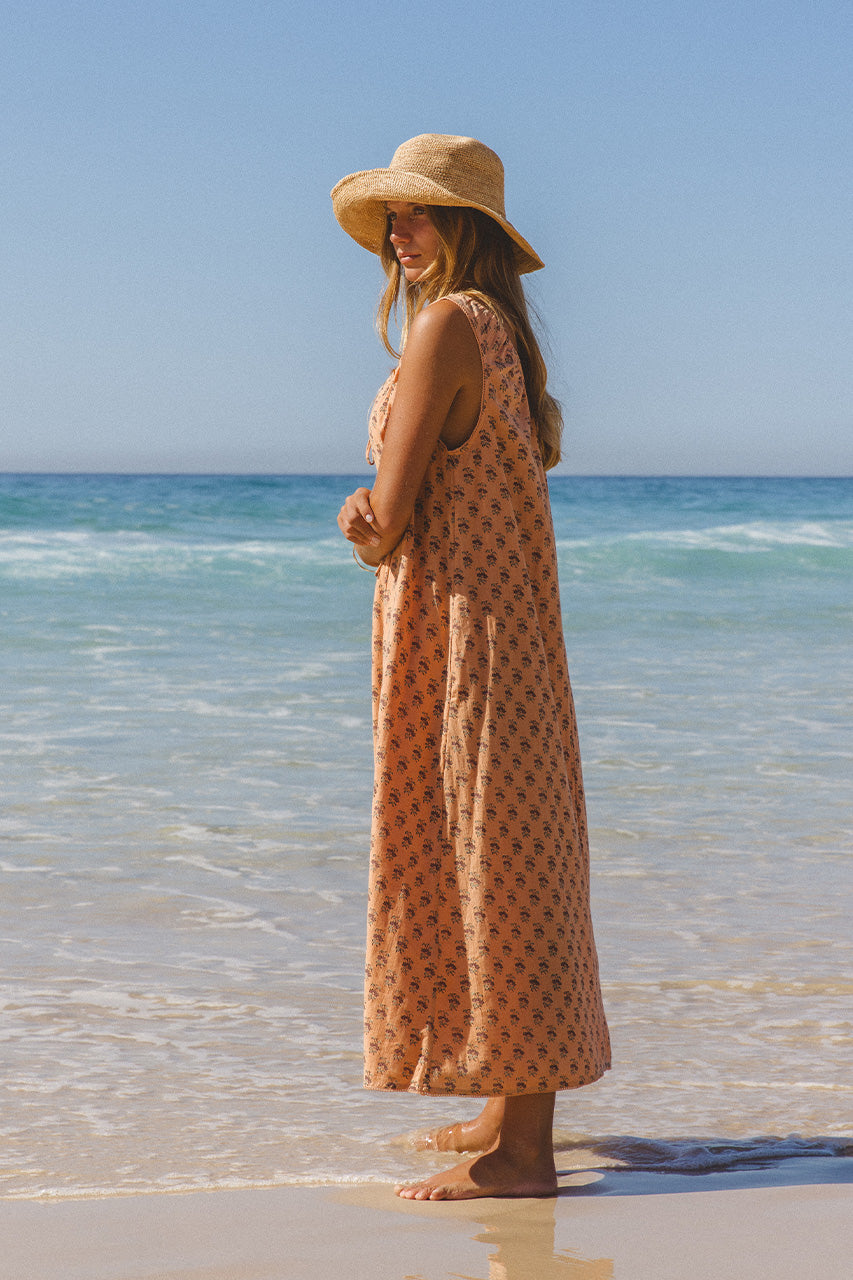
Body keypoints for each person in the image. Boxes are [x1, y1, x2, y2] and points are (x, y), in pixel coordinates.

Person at [332, 134, 610, 1201]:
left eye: (419, 213)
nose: (399, 232)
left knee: (493, 868)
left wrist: (360, 520)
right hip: (508, 636)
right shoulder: (500, 333)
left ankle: (523, 1156)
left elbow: (390, 521)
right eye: (393, 216)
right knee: (507, 861)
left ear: (465, 228)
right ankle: (505, 1111)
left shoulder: (447, 325)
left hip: (461, 639)